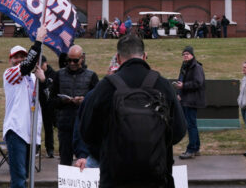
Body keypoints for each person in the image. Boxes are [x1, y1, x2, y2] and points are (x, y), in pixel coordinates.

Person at [80, 32, 186, 188]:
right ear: (144, 56)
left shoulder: (105, 87)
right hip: (156, 178)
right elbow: (179, 131)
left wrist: (108, 151)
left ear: (117, 58)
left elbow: (87, 132)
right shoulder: (162, 85)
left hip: (115, 178)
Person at [2, 26, 47, 188]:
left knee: (26, 176)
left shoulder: (33, 79)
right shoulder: (10, 73)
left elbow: (47, 101)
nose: (20, 59)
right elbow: (26, 66)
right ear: (10, 60)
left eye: (23, 56)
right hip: (16, 131)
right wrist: (39, 41)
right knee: (19, 179)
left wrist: (43, 80)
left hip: (30, 133)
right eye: (16, 57)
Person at [53, 44, 98, 165]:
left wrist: (84, 101)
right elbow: (51, 101)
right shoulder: (59, 75)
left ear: (82, 59)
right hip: (65, 124)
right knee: (65, 161)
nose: (72, 63)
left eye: (75, 60)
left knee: (85, 162)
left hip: (84, 126)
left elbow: (97, 102)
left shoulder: (91, 76)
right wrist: (63, 100)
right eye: (69, 60)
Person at [177, 45, 205, 159]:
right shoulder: (185, 66)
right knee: (192, 124)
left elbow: (198, 83)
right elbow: (181, 80)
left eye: (187, 54)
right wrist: (179, 93)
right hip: (185, 99)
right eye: (183, 54)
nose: (185, 56)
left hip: (192, 100)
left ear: (192, 55)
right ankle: (196, 147)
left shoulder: (196, 67)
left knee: (191, 125)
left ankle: (191, 149)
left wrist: (184, 86)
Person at [37, 54, 56, 158]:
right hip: (39, 105)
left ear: (46, 63)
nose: (39, 67)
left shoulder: (53, 74)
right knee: (37, 127)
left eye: (41, 64)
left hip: (51, 105)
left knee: (50, 128)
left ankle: (50, 149)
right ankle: (36, 148)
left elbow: (52, 88)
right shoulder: (34, 74)